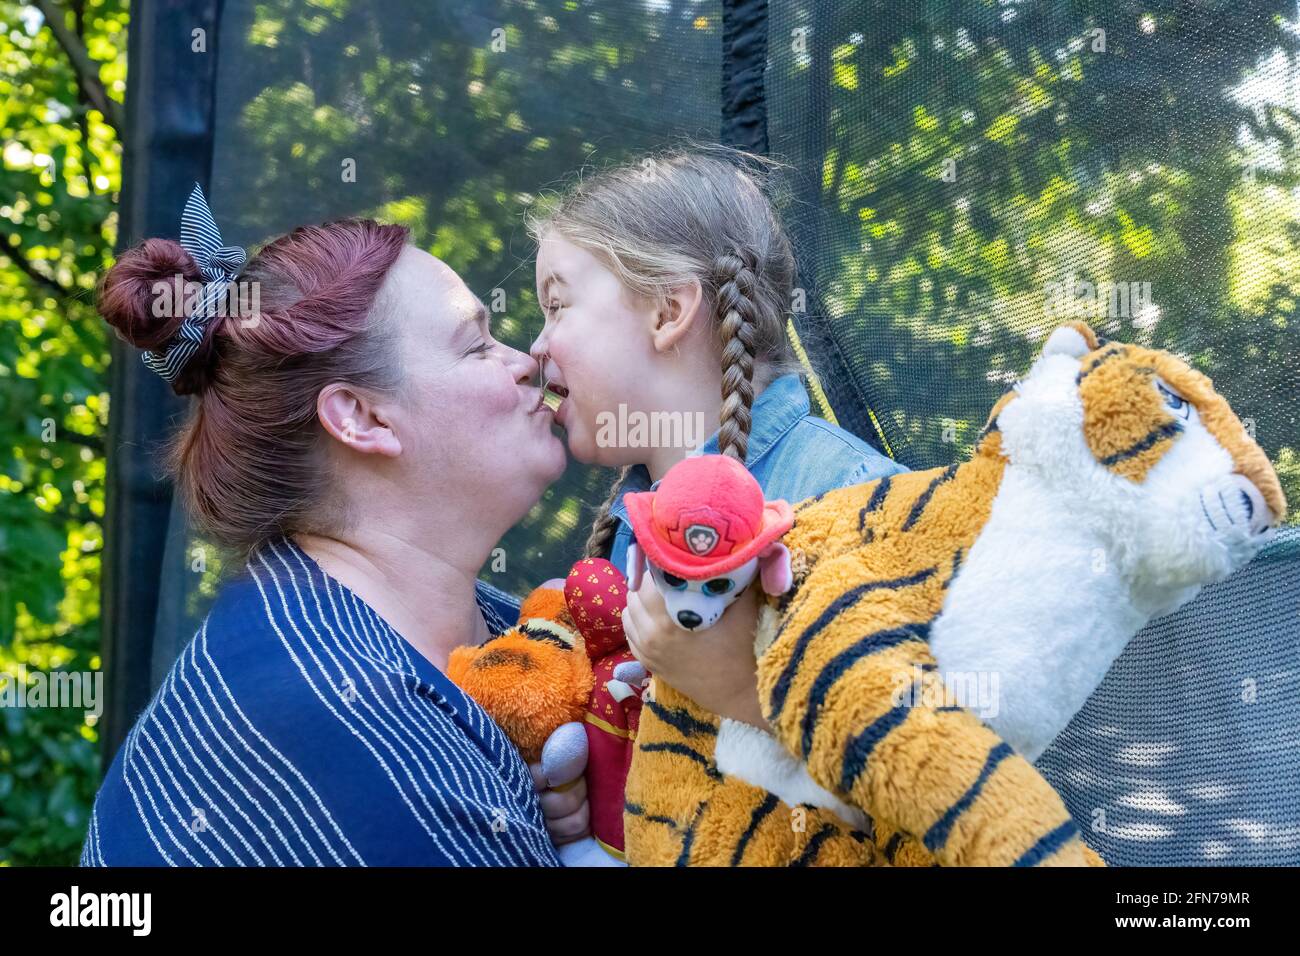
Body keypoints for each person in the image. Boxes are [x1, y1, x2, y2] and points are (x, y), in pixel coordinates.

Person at [81, 187, 582, 866]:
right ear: (361, 418)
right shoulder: (344, 723)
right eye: (475, 346)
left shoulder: (459, 632)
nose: (526, 361)